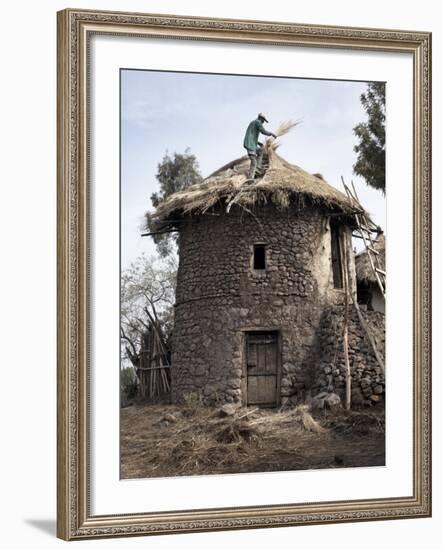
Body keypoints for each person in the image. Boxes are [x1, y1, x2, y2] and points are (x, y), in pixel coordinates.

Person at [243, 113, 277, 180]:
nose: (263, 122)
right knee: (253, 161)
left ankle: (258, 169)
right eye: (263, 120)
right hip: (250, 144)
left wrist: (258, 143)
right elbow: (263, 131)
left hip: (252, 143)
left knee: (260, 151)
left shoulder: (253, 123)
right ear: (261, 118)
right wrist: (271, 134)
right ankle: (250, 178)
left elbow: (252, 136)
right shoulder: (257, 122)